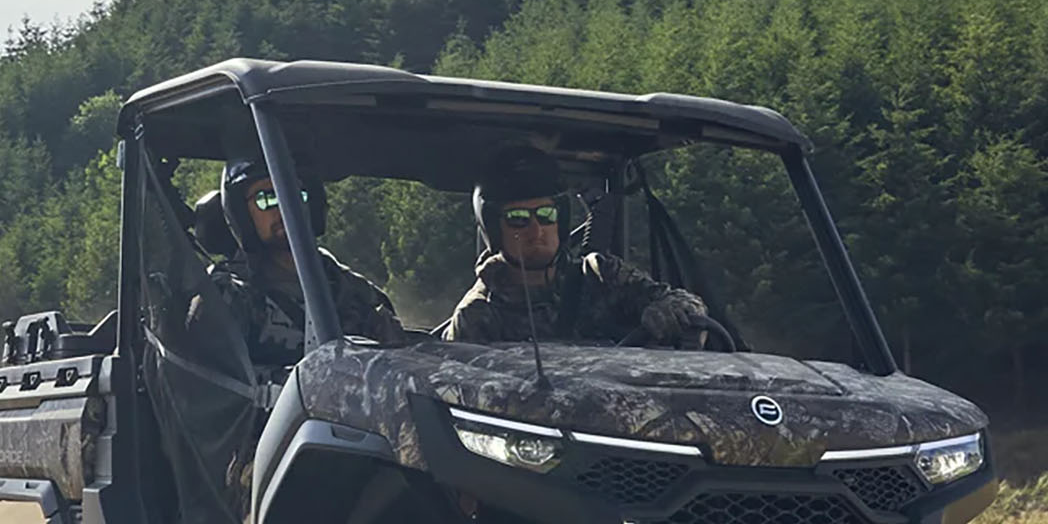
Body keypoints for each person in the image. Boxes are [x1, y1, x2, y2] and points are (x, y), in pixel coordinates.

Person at [442, 150, 709, 347]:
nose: (536, 231)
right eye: (518, 219)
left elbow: (688, 304)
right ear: (493, 228)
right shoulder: (478, 314)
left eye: (546, 215)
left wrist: (669, 313)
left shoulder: (601, 274)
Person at [190, 159, 405, 370]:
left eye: (296, 194)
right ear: (241, 214)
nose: (285, 206)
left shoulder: (358, 293)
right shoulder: (225, 296)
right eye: (267, 198)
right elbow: (209, 388)